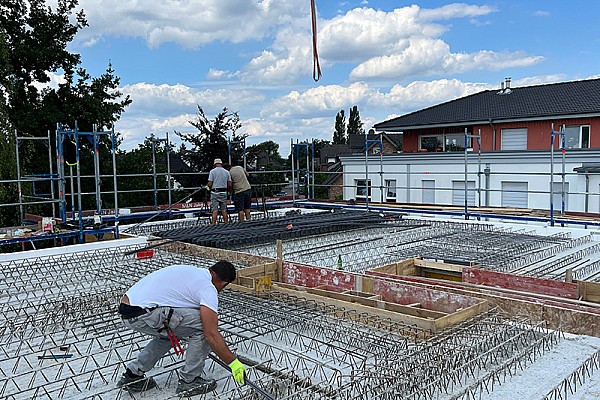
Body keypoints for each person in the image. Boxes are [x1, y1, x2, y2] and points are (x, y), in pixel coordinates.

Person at [116, 261, 246, 395]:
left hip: (127, 310)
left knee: (174, 328)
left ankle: (132, 375)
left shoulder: (194, 272)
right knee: (203, 326)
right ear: (224, 284)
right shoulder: (208, 288)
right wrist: (233, 362)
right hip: (145, 313)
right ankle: (190, 380)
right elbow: (211, 334)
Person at [207, 158, 232, 224]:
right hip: (223, 192)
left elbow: (209, 184)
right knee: (224, 210)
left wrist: (209, 187)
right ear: (221, 164)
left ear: (215, 164)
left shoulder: (212, 171)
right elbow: (230, 184)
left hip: (215, 192)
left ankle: (213, 225)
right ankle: (226, 224)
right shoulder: (226, 172)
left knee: (215, 211)